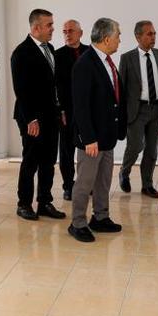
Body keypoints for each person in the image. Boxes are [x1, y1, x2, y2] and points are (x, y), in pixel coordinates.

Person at [68, 18, 126, 243]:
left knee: (103, 181)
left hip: (107, 135)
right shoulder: (85, 64)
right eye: (118, 35)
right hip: (91, 139)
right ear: (107, 38)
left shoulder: (108, 62)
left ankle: (100, 217)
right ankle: (77, 223)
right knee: (85, 182)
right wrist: (89, 138)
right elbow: (80, 106)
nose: (120, 39)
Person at [10, 9, 67, 221]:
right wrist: (31, 119)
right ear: (36, 28)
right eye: (49, 25)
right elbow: (21, 90)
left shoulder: (49, 48)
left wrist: (60, 109)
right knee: (31, 161)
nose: (53, 28)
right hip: (32, 118)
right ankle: (24, 204)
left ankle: (44, 202)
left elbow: (54, 85)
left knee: (48, 161)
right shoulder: (21, 53)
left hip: (51, 115)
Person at [117, 20, 158, 198]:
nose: (153, 37)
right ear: (138, 37)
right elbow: (121, 88)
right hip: (136, 110)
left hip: (157, 109)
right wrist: (121, 114)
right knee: (136, 146)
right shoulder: (127, 58)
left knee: (151, 150)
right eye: (149, 34)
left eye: (154, 33)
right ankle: (124, 172)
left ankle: (147, 185)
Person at [54, 19, 89, 201]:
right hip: (66, 111)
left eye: (71, 31)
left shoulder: (90, 52)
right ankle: (68, 185)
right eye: (64, 31)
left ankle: (85, 184)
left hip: (87, 110)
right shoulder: (57, 55)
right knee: (66, 150)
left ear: (80, 33)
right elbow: (55, 86)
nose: (67, 34)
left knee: (87, 149)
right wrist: (60, 109)